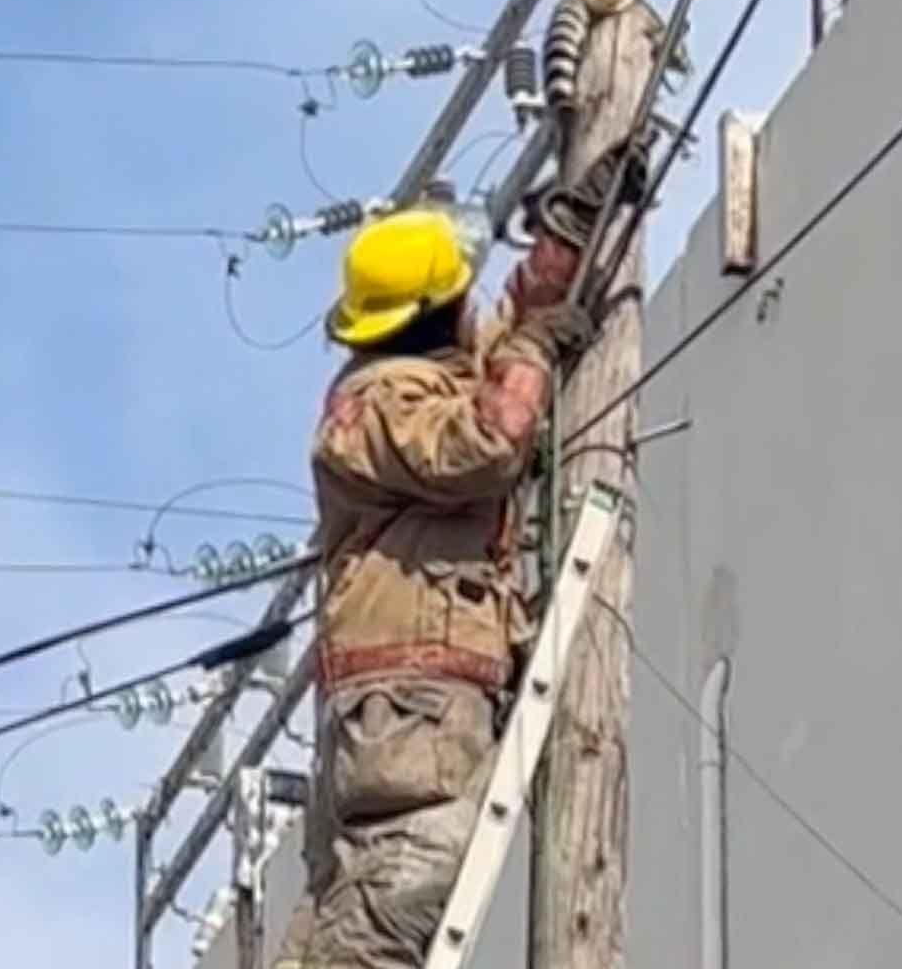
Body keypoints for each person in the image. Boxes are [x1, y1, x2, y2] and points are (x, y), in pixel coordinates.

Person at [272, 140, 646, 969]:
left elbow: (520, 320)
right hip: (407, 725)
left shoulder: (432, 377)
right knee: (392, 910)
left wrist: (574, 230)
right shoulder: (369, 411)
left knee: (356, 922)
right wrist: (533, 354)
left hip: (415, 719)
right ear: (441, 310)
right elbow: (490, 438)